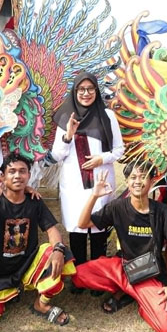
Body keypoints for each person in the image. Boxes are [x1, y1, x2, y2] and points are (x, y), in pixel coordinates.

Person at [0, 152, 75, 332]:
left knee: (60, 252)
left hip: (28, 267)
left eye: (22, 171)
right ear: (2, 176)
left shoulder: (34, 201)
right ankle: (5, 296)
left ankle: (41, 305)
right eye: (12, 171)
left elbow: (52, 230)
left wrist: (58, 249)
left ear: (29, 175)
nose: (18, 176)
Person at [71, 161, 167, 332]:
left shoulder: (161, 211)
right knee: (77, 275)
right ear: (127, 181)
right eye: (133, 177)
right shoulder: (118, 207)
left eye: (143, 177)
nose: (137, 181)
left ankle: (136, 297)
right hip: (122, 267)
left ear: (152, 181)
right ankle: (126, 291)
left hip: (149, 274)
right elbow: (83, 223)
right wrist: (94, 195)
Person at [51, 72, 124, 292]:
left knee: (99, 228)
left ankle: (98, 277)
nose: (85, 93)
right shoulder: (66, 118)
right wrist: (68, 136)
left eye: (90, 89)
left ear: (96, 91)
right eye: (81, 89)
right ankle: (80, 276)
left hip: (100, 180)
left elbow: (119, 149)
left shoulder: (108, 115)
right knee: (77, 230)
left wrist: (103, 158)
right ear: (75, 92)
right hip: (74, 184)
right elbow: (56, 155)